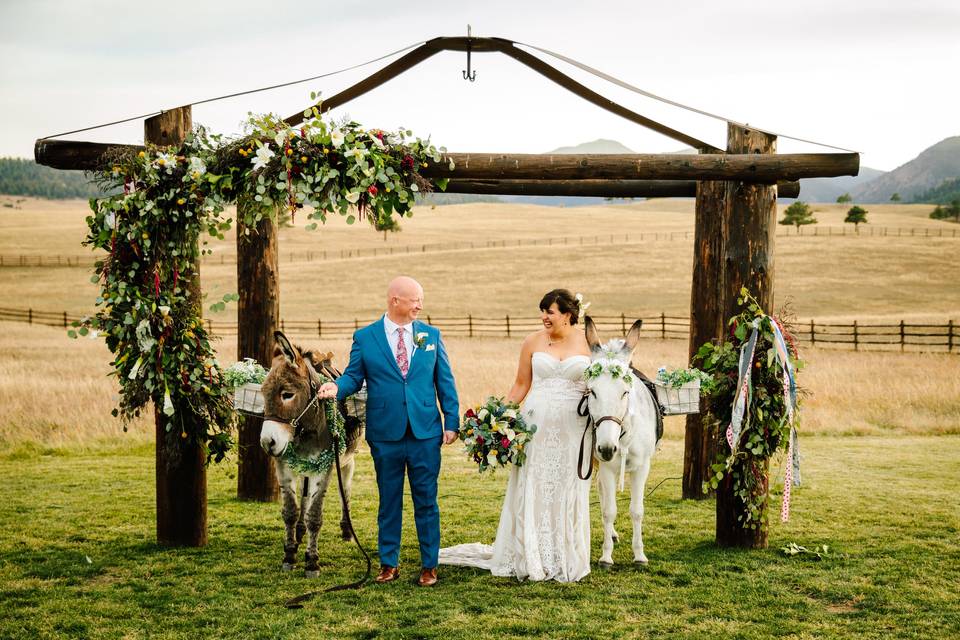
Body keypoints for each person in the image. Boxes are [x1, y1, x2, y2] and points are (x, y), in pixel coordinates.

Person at [439, 288, 592, 582]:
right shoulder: (532, 341)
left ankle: (565, 556)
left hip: (573, 431)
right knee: (534, 486)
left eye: (550, 312)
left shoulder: (587, 344)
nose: (544, 317)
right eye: (543, 311)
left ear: (568, 315)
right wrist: (495, 418)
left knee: (566, 488)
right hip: (535, 426)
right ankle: (530, 553)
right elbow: (521, 386)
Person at [318, 276, 459, 587]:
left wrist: (452, 421)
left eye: (421, 299)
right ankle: (388, 563)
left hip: (425, 432)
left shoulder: (430, 335)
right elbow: (353, 377)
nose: (420, 305)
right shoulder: (366, 337)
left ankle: (429, 566)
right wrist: (335, 387)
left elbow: (444, 380)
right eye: (414, 300)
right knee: (389, 499)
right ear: (395, 300)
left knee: (426, 500)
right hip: (385, 433)